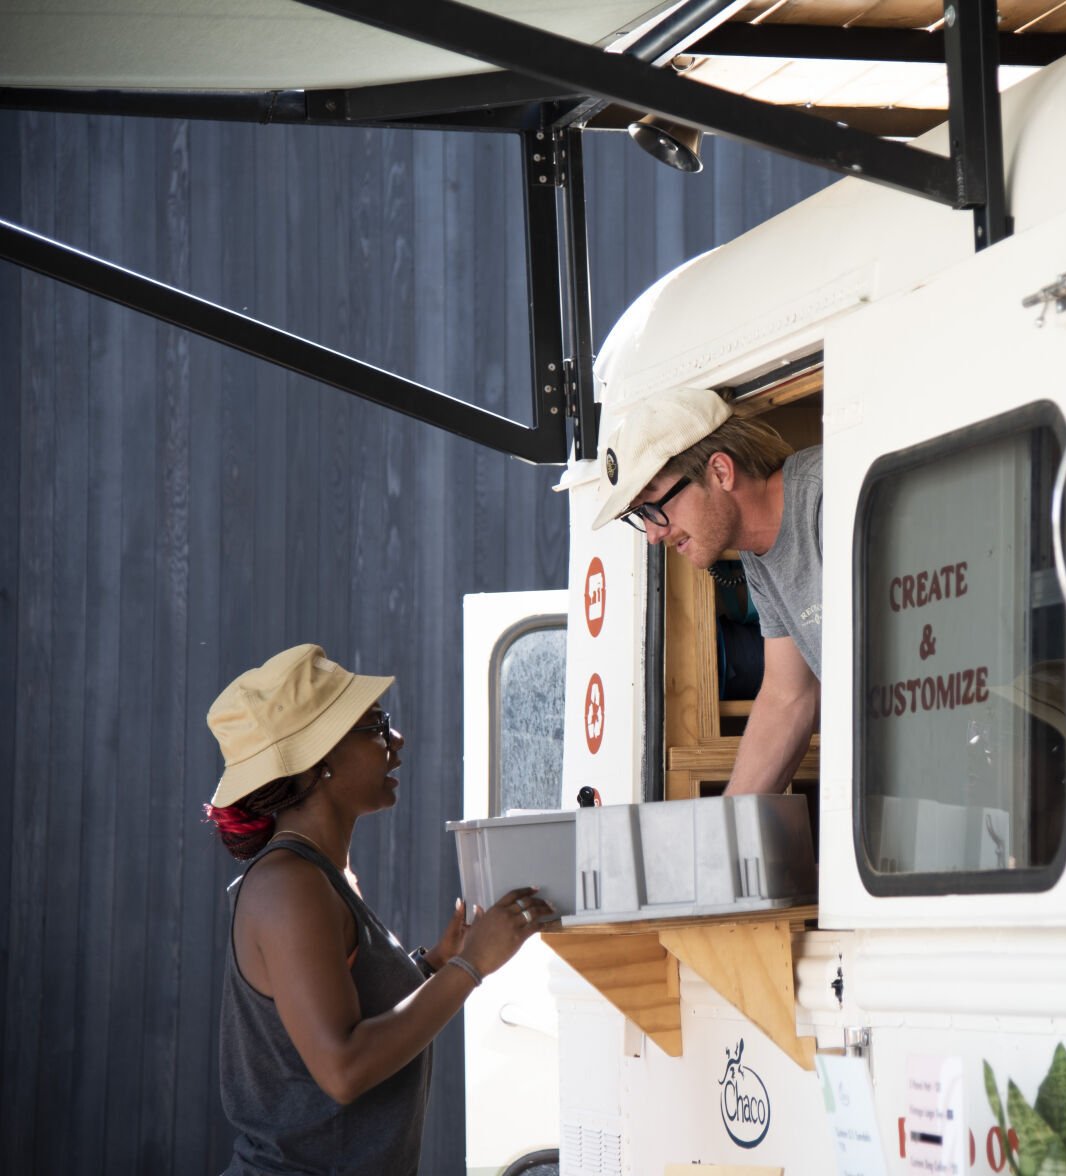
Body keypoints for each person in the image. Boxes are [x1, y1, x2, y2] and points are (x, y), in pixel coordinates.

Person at [202, 643, 553, 1176]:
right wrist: (470, 966)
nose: (396, 740)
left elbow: (357, 1014)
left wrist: (436, 962)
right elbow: (342, 1068)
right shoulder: (289, 886)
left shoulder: (327, 877)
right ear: (320, 761)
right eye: (375, 726)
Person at [592, 386, 821, 795]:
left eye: (653, 506)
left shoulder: (824, 498)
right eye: (640, 518)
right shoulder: (758, 555)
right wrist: (724, 837)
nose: (653, 534)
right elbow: (787, 696)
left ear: (720, 471)